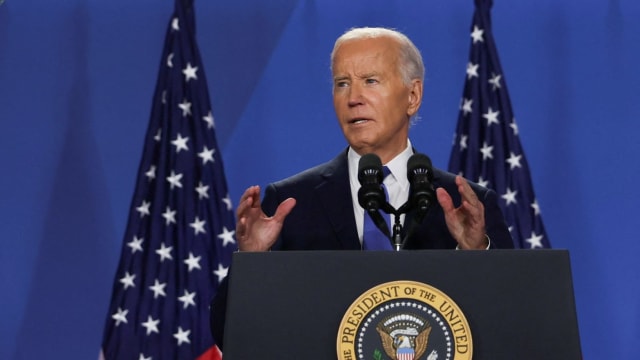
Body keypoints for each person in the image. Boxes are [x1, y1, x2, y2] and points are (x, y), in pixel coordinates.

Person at [211, 27, 513, 348]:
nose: (353, 98)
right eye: (342, 84)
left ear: (413, 96)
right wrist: (252, 263)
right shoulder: (288, 204)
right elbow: (230, 337)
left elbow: (512, 323)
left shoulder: (467, 206)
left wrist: (478, 254)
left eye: (370, 81)